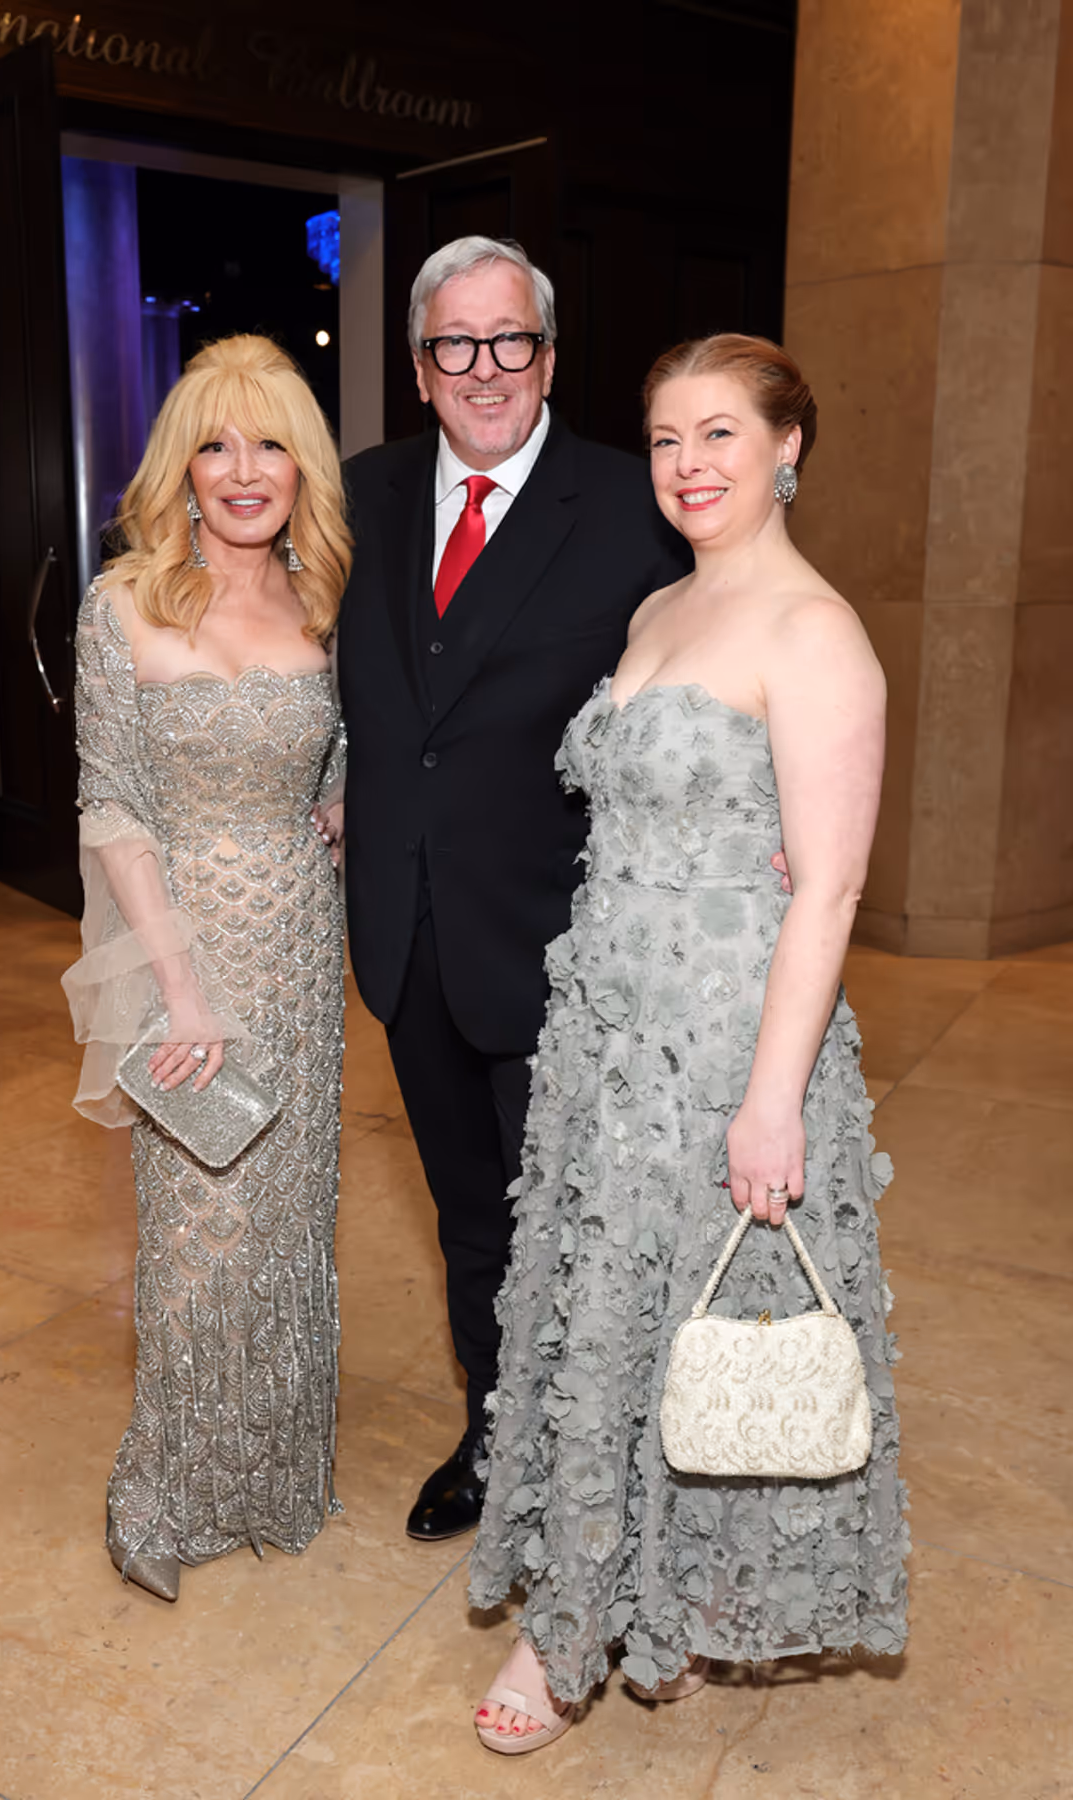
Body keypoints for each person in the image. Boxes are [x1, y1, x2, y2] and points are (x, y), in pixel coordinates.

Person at [466, 333, 909, 1752]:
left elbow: (828, 887)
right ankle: (609, 1601)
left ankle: (602, 1624)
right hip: (607, 1036)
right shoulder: (660, 607)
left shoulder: (815, 631)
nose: (688, 464)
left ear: (790, 447)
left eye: (720, 433)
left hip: (728, 1041)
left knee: (699, 1325)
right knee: (610, 1314)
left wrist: (771, 1101)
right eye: (665, 439)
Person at [329, 237, 691, 1542]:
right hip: (408, 933)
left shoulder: (638, 506)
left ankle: (590, 1462)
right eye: (454, 344)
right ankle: (495, 1432)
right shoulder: (357, 495)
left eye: (510, 340)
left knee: (582, 1227)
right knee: (469, 1217)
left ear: (548, 353)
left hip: (569, 947)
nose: (484, 368)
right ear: (419, 367)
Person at [62, 335, 352, 1601]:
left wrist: (343, 794)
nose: (243, 471)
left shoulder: (324, 600)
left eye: (271, 444)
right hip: (180, 947)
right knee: (194, 1228)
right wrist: (181, 994)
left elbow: (356, 749)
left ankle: (272, 1474)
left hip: (299, 947)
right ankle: (169, 1489)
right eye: (216, 446)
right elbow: (113, 805)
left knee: (286, 1218)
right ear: (181, 466)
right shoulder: (122, 604)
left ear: (303, 467)